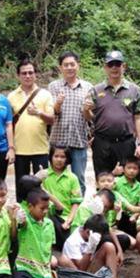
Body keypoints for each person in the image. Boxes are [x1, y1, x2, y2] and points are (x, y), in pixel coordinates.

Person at [83, 50, 140, 176]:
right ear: (105, 68)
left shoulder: (134, 90)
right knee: (103, 180)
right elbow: (89, 118)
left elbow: (138, 118)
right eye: (110, 65)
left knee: (126, 180)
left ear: (124, 66)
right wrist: (86, 110)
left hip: (126, 142)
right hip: (102, 142)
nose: (114, 68)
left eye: (117, 64)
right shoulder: (95, 90)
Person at [47, 51, 92, 192]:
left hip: (79, 141)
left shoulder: (88, 87)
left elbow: (90, 117)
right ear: (60, 68)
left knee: (79, 179)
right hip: (58, 142)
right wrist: (58, 103)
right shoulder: (54, 86)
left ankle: (77, 212)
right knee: (55, 178)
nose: (69, 67)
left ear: (78, 66)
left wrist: (86, 110)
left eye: (72, 64)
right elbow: (52, 113)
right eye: (65, 65)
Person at [8, 59, 54, 181]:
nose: (27, 76)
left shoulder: (45, 94)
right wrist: (10, 147)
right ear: (18, 75)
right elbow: (8, 124)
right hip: (20, 149)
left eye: (30, 72)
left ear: (35, 74)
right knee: (22, 186)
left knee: (42, 185)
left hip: (40, 148)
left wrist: (38, 112)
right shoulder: (11, 96)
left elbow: (52, 120)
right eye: (24, 73)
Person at [14, 189, 58, 278]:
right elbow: (20, 225)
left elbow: (50, 247)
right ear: (30, 207)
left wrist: (49, 264)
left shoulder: (49, 224)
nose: (45, 211)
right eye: (41, 208)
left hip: (43, 269)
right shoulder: (25, 221)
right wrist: (19, 219)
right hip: (25, 267)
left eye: (47, 208)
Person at [57, 214, 126, 278]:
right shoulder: (72, 242)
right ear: (87, 232)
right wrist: (90, 248)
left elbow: (108, 231)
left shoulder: (92, 230)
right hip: (78, 276)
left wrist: (119, 250)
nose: (100, 239)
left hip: (91, 269)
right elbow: (82, 269)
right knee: (63, 259)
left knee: (109, 246)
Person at [41, 145, 81, 249]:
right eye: (56, 156)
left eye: (63, 157)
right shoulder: (44, 175)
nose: (59, 160)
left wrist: (69, 220)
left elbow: (76, 203)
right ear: (50, 157)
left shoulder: (72, 178)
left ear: (67, 159)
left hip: (66, 218)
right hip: (47, 217)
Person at [115, 156, 140, 237]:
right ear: (124, 169)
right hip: (119, 214)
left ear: (138, 171)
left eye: (135, 168)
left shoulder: (139, 186)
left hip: (132, 216)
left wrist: (135, 216)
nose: (132, 171)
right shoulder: (117, 181)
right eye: (129, 168)